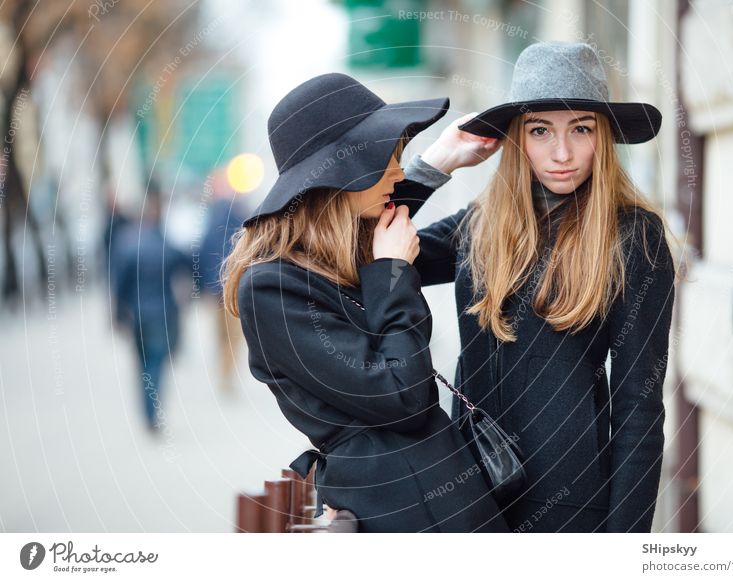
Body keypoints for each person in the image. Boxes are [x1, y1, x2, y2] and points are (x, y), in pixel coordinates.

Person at [404, 41, 677, 532]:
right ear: (516, 139)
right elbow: (364, 256)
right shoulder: (480, 225)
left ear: (604, 136)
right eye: (539, 130)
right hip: (469, 493)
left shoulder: (635, 236)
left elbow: (640, 404)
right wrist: (435, 164)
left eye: (581, 128)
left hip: (572, 507)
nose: (562, 153)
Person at [222, 73, 509, 532]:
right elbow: (405, 397)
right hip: (402, 519)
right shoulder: (272, 289)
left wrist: (439, 161)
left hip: (447, 503)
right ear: (340, 174)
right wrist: (392, 273)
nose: (398, 171)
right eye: (384, 157)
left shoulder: (342, 253)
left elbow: (426, 230)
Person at [112, 189, 192, 433]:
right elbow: (189, 264)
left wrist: (117, 315)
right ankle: (152, 412)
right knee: (156, 363)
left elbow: (119, 285)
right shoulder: (165, 243)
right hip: (162, 313)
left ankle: (147, 412)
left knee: (142, 364)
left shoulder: (127, 244)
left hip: (137, 315)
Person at [197, 169, 247, 394]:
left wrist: (202, 287)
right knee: (233, 336)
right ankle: (226, 376)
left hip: (214, 289)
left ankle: (223, 372)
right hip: (233, 287)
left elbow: (200, 253)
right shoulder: (240, 220)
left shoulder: (210, 223)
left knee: (220, 335)